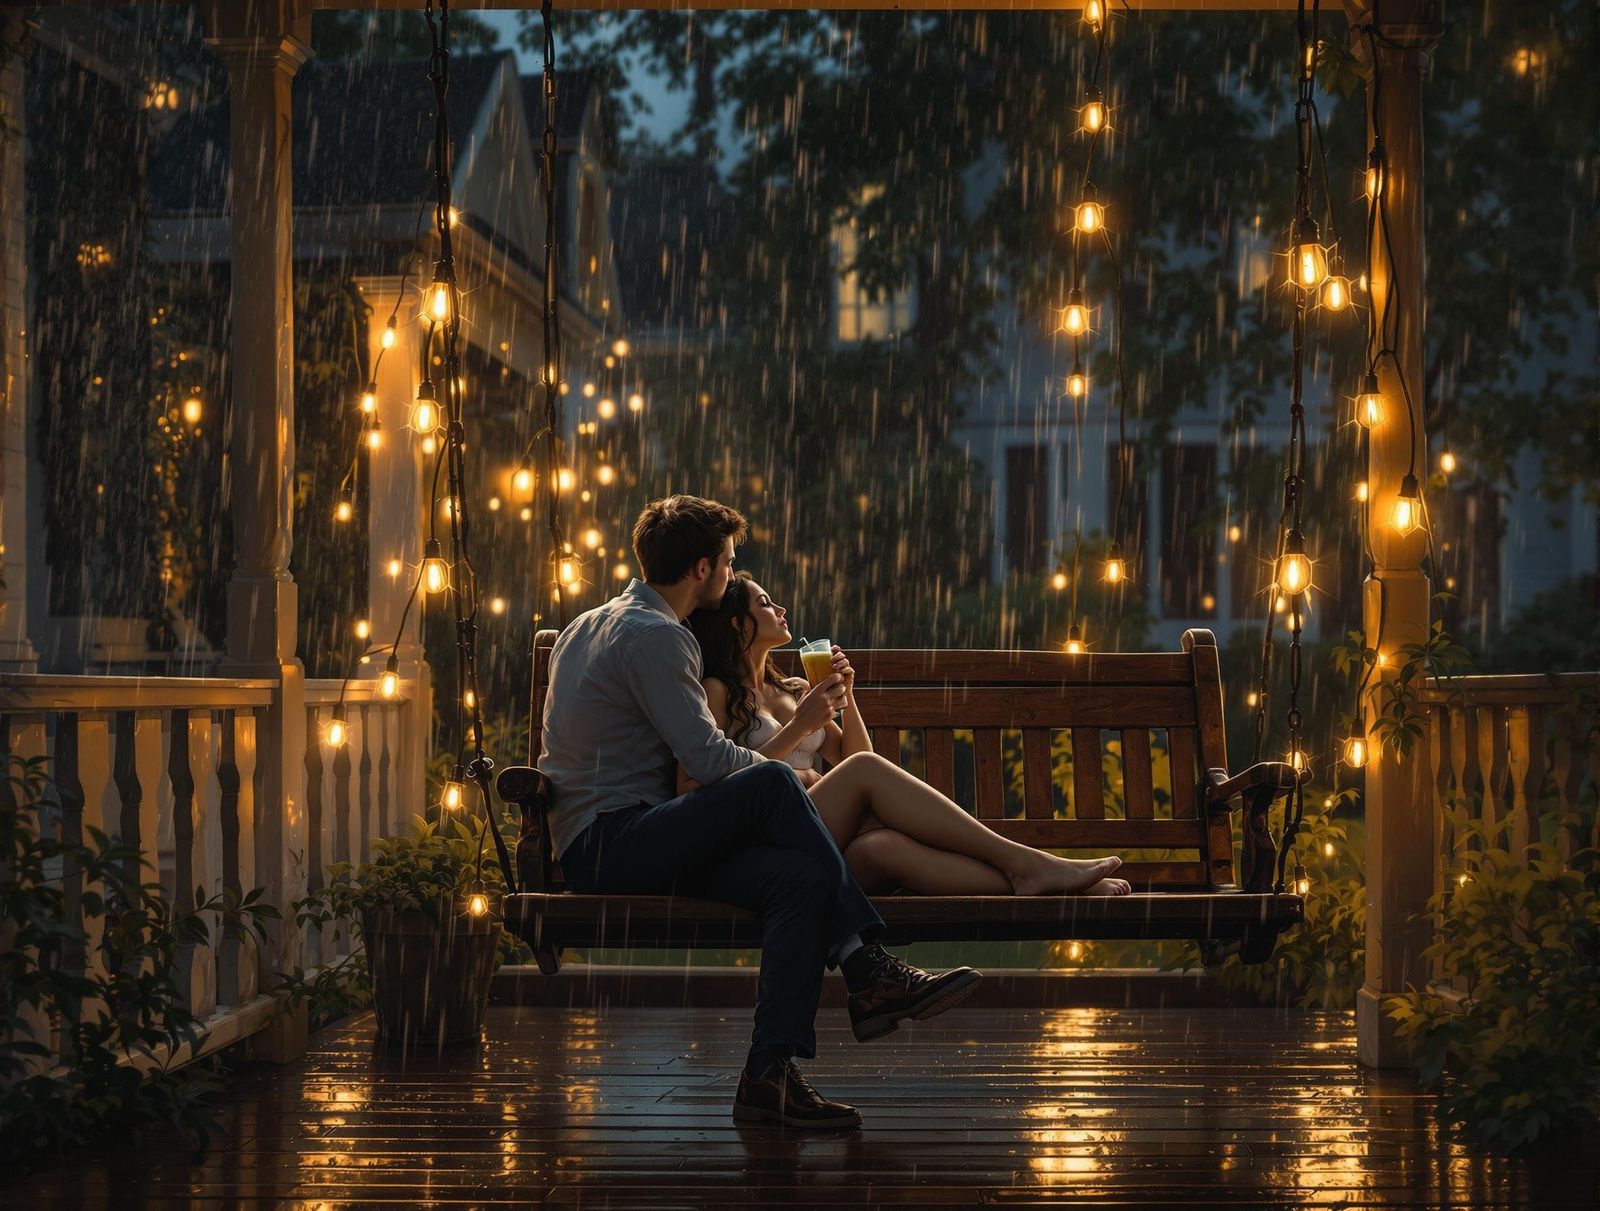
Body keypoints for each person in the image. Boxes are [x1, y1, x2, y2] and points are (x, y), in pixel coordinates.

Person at [538, 495, 983, 1131]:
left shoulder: (590, 623)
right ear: (701, 569)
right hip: (614, 842)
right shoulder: (659, 635)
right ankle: (867, 966)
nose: (730, 572)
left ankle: (769, 1076)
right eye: (727, 561)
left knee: (795, 879)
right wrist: (790, 775)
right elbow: (710, 760)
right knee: (773, 785)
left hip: (633, 837)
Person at [682, 574, 1130, 898]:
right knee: (867, 785)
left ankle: (1044, 883)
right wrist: (801, 727)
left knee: (883, 849)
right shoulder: (717, 691)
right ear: (738, 625)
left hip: (819, 839)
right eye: (764, 603)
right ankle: (1026, 862)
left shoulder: (792, 689)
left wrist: (847, 698)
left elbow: (856, 756)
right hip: (770, 838)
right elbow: (705, 782)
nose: (780, 609)